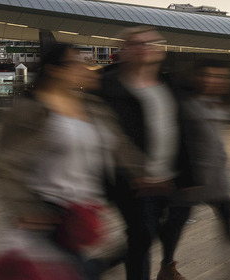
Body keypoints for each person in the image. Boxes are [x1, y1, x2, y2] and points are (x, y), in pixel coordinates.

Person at [0, 42, 144, 280]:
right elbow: (8, 166)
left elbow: (118, 144)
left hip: (83, 214)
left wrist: (145, 173)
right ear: (55, 70)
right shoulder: (30, 110)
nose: (87, 69)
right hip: (48, 213)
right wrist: (26, 210)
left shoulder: (92, 106)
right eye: (78, 64)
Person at [157, 62, 230, 276]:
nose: (217, 81)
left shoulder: (217, 105)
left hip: (214, 179)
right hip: (191, 178)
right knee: (175, 224)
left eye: (222, 77)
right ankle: (162, 265)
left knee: (226, 216)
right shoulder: (187, 105)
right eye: (210, 76)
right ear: (198, 78)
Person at [98, 27, 193, 280]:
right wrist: (136, 172)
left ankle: (163, 266)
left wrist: (188, 175)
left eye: (150, 43)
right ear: (123, 51)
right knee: (142, 234)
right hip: (133, 181)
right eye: (135, 43)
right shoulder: (109, 88)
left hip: (170, 177)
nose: (144, 48)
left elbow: (182, 130)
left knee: (166, 225)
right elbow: (111, 137)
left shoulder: (168, 85)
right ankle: (96, 268)